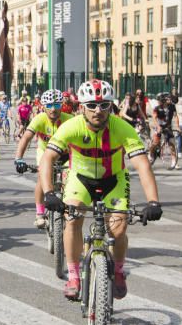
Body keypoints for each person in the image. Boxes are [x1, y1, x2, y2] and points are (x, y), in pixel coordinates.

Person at [40, 79, 163, 300]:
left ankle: (118, 271)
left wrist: (153, 201)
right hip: (81, 179)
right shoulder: (71, 127)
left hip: (113, 180)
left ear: (111, 107)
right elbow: (48, 158)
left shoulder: (122, 128)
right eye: (92, 105)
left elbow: (142, 164)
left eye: (104, 105)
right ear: (81, 107)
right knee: (72, 218)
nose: (98, 110)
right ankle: (74, 276)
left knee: (118, 228)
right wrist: (49, 192)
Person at [14, 89, 73, 229]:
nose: (53, 109)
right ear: (43, 106)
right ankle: (39, 213)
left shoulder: (69, 119)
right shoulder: (39, 118)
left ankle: (68, 207)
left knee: (70, 178)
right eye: (49, 106)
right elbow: (26, 138)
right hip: (45, 152)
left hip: (65, 154)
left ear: (62, 105)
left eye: (57, 105)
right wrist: (19, 158)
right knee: (42, 176)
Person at [150, 92, 180, 170]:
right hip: (159, 127)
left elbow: (176, 116)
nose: (158, 102)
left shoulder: (172, 107)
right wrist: (158, 126)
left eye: (159, 100)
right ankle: (151, 155)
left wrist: (178, 126)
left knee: (172, 144)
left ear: (164, 100)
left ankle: (174, 162)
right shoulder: (157, 108)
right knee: (155, 143)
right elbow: (154, 118)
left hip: (168, 127)